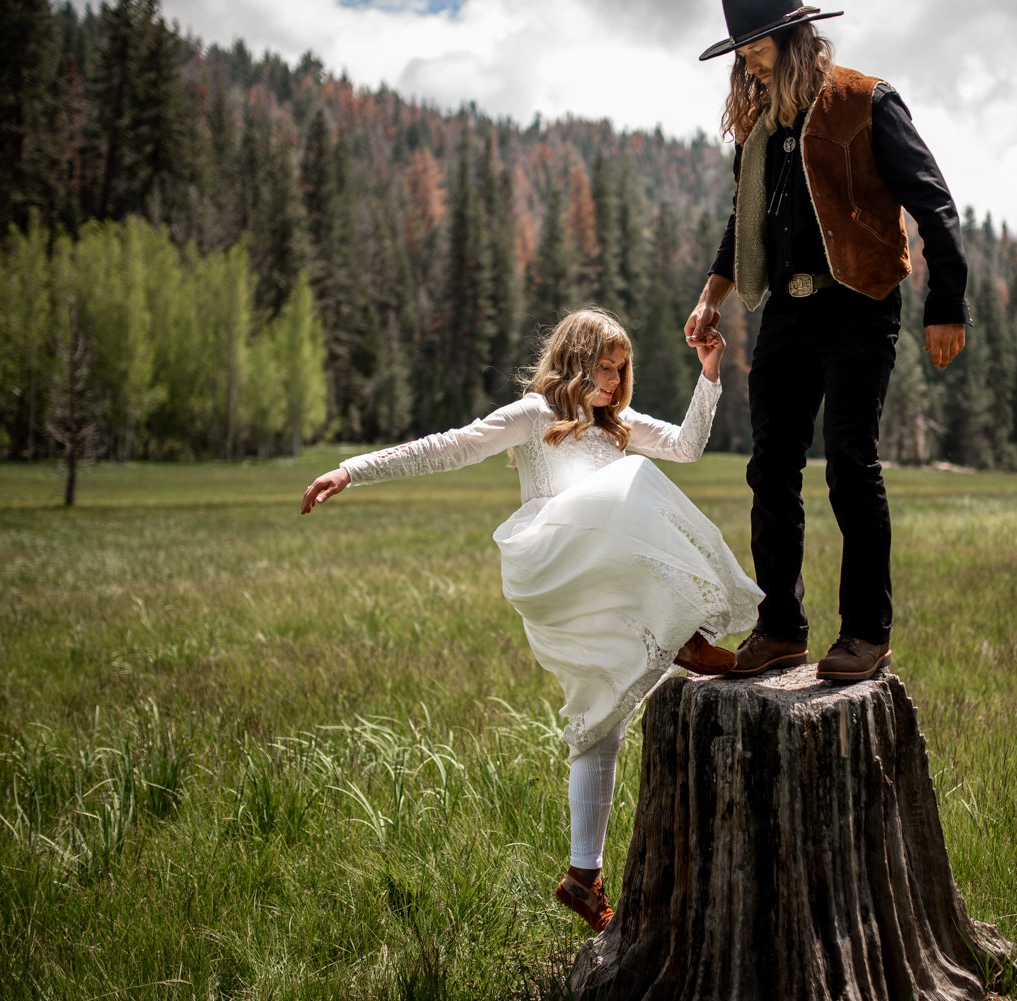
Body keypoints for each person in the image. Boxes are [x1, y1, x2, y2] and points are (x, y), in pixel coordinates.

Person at [300, 307, 761, 932]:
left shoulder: (617, 426)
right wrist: (353, 469)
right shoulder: (534, 416)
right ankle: (688, 635)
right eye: (603, 369)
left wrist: (709, 376)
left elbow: (686, 445)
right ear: (574, 360)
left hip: (600, 583)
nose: (612, 383)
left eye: (621, 371)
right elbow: (450, 447)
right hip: (550, 562)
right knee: (633, 483)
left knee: (603, 717)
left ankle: (582, 876)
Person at [685, 0, 970, 684]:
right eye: (740, 49)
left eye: (754, 45)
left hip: (860, 304)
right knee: (771, 469)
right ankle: (780, 628)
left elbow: (933, 202)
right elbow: (741, 223)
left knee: (849, 461)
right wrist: (710, 295)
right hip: (785, 310)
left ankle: (867, 633)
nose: (747, 60)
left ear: (790, 37)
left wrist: (947, 302)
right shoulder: (760, 129)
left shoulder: (867, 101)